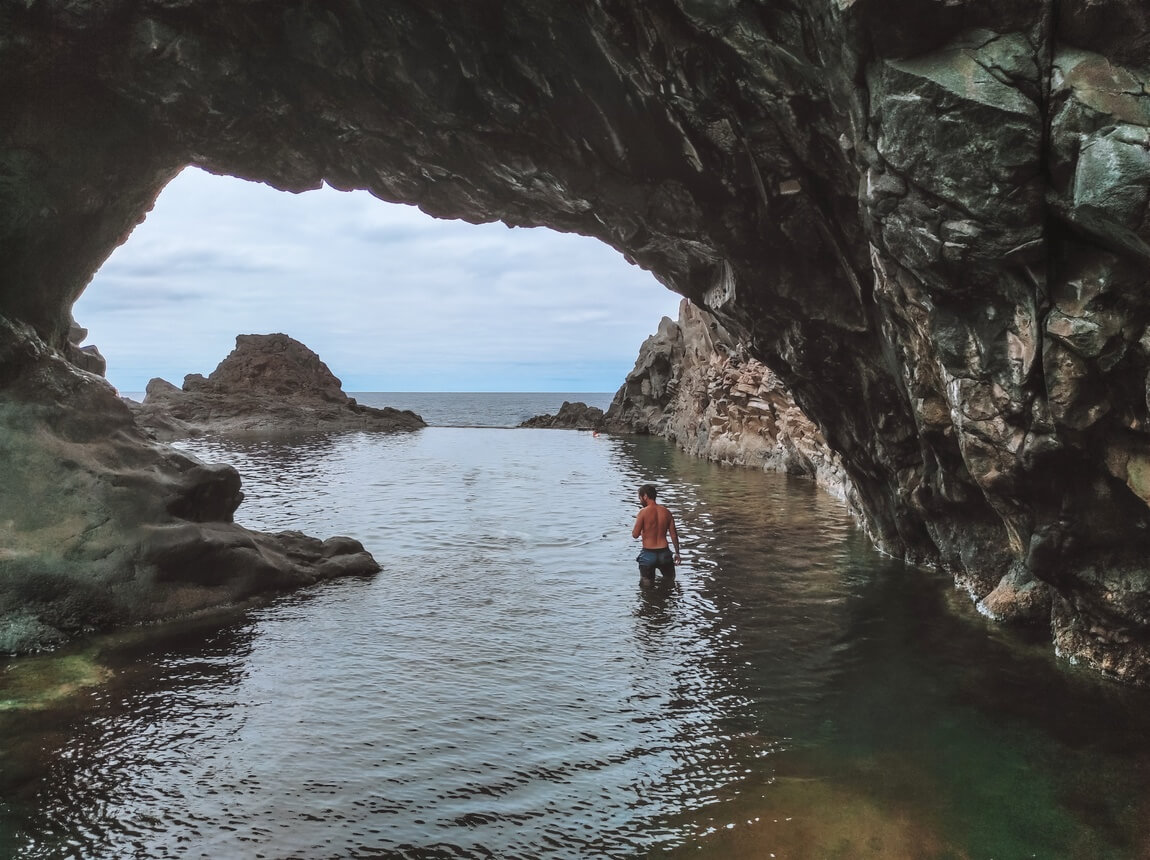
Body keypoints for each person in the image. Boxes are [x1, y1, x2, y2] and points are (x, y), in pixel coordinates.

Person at [632, 483, 681, 585]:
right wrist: (677, 553)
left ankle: (650, 599)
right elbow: (674, 535)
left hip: (648, 554)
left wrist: (645, 530)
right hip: (665, 554)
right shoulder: (667, 512)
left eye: (640, 497)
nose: (640, 500)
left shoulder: (643, 512)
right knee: (670, 582)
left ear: (645, 496)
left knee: (646, 586)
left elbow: (635, 535)